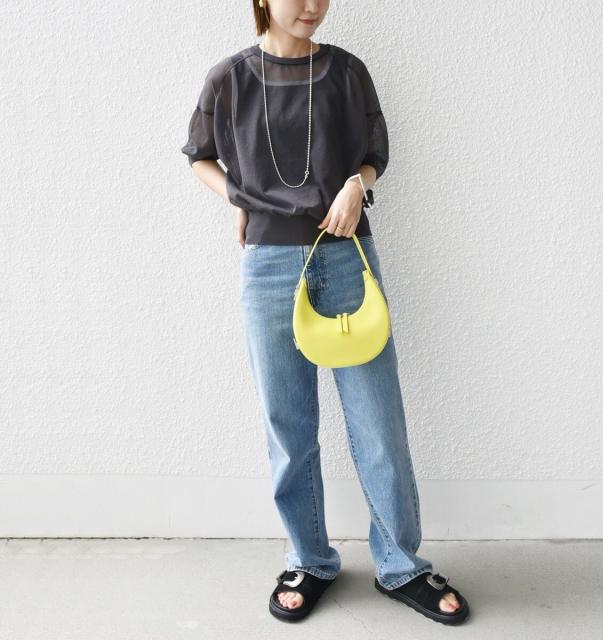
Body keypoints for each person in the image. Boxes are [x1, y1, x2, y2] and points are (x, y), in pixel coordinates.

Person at [181, 0, 470, 626]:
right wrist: (239, 198)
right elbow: (199, 154)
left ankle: (401, 565)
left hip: (345, 257)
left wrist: (357, 184)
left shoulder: (346, 72)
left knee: (378, 423)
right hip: (267, 264)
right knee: (287, 425)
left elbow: (373, 152)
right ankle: (309, 560)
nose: (313, 5)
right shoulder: (229, 78)